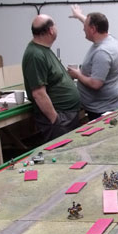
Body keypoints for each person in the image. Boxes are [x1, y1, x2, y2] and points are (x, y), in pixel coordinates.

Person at [22, 14, 81, 142]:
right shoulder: (35, 55)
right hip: (59, 118)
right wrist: (55, 119)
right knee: (62, 151)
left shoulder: (44, 50)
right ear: (51, 30)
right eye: (55, 25)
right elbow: (38, 93)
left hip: (66, 115)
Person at [68, 5, 118, 120]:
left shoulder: (102, 52)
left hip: (102, 110)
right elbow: (94, 24)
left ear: (93, 29)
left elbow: (96, 84)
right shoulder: (110, 39)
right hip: (107, 105)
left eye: (85, 27)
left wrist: (78, 74)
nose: (83, 29)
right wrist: (79, 16)